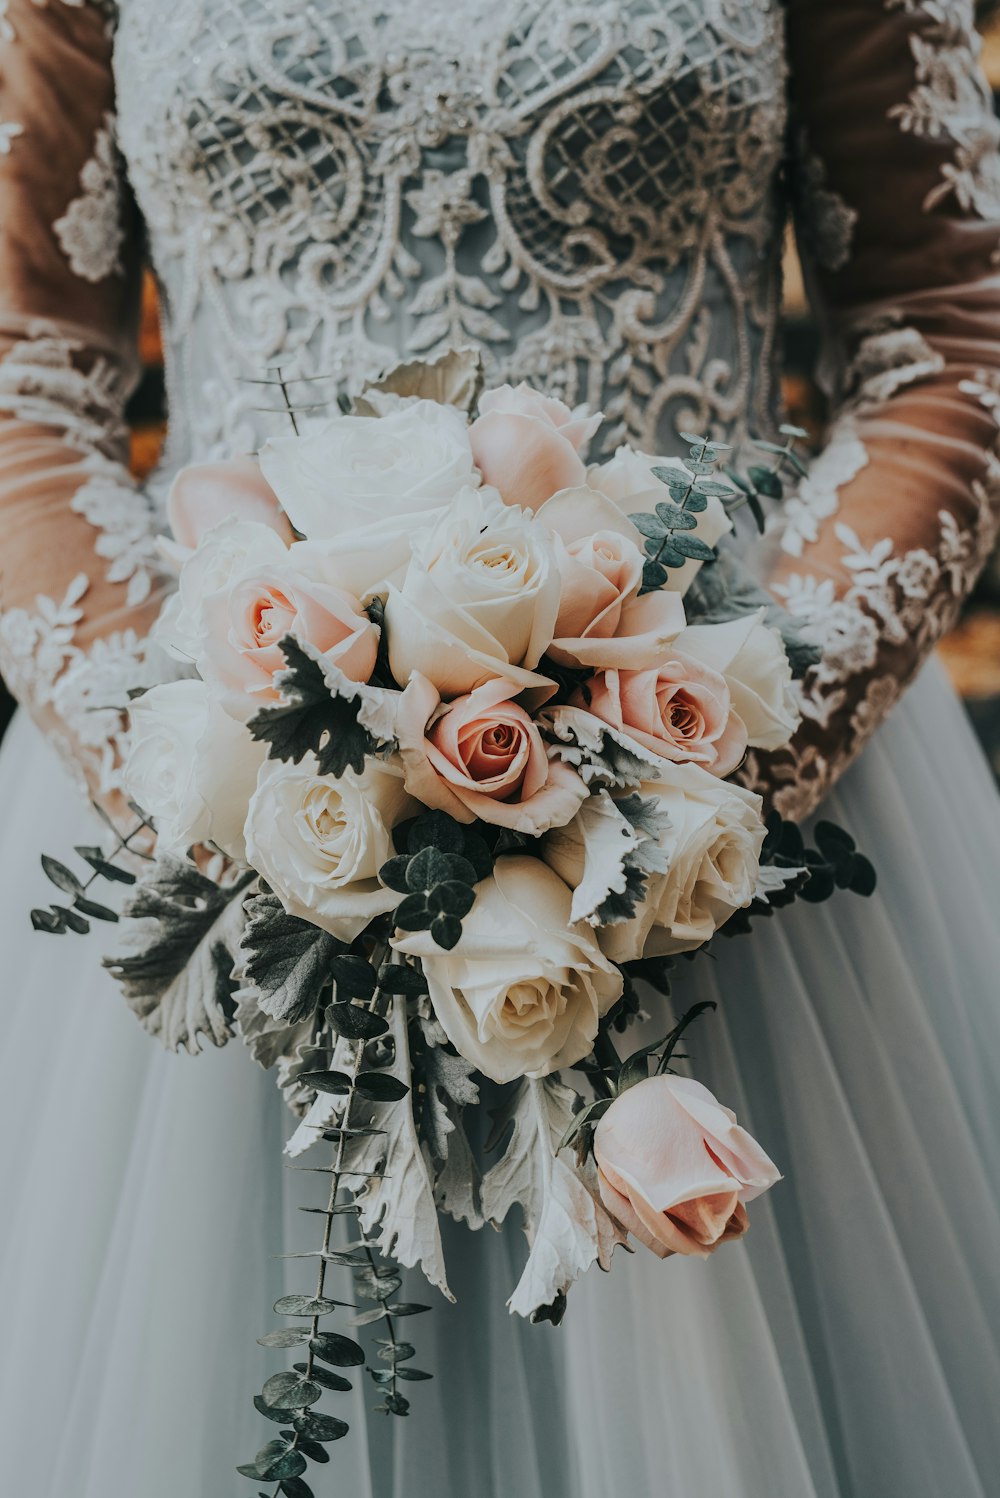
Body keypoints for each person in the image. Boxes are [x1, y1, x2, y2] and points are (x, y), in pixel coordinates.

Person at [1, 2, 999, 1494]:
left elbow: (950, 332)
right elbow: (23, 376)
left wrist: (695, 769)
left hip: (725, 829)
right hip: (229, 815)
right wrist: (213, 778)